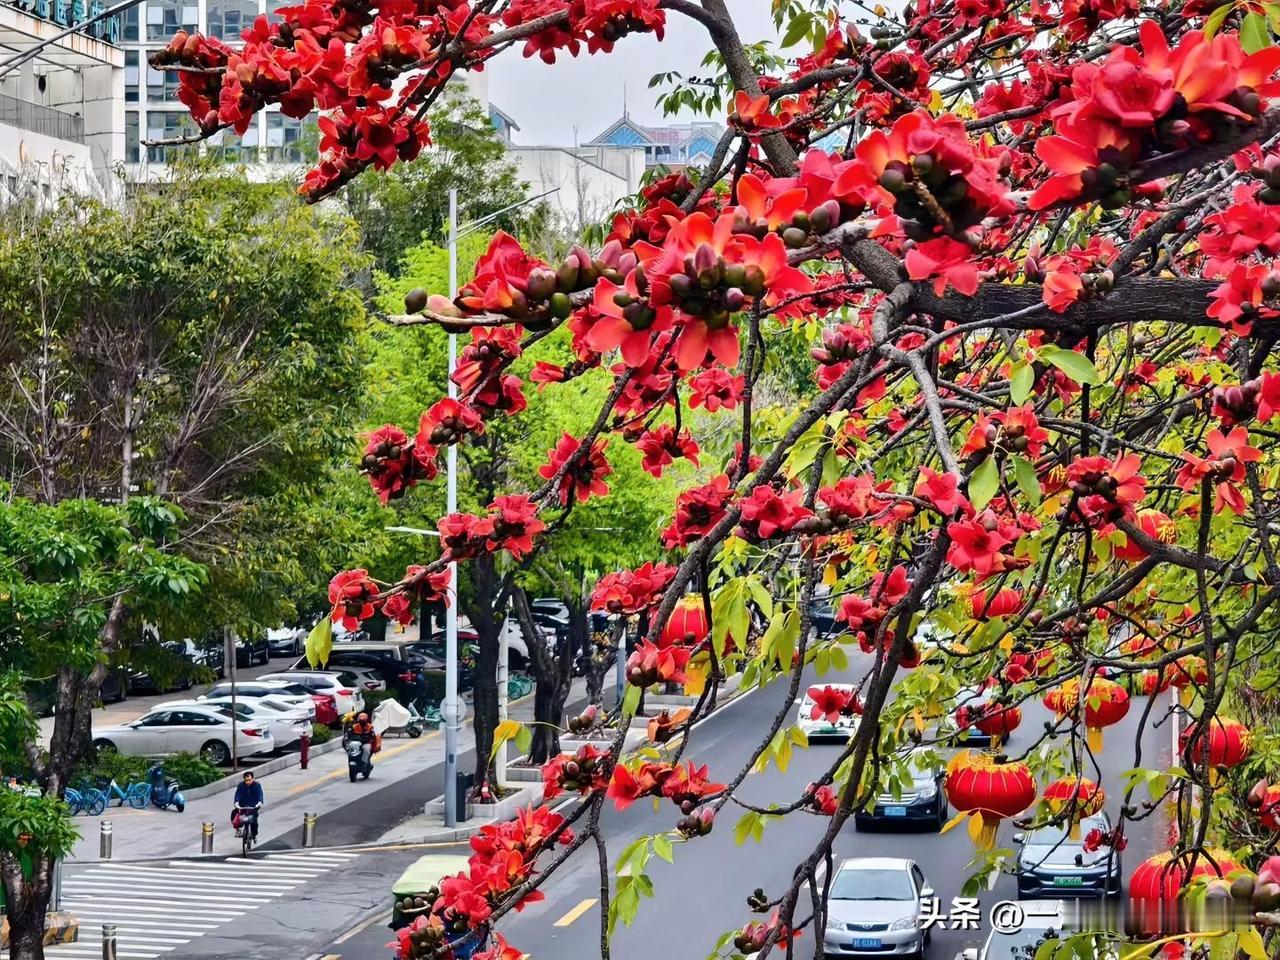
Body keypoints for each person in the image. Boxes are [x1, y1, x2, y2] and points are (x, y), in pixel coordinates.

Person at [232, 771, 263, 839]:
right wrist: (236, 802)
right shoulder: (241, 785)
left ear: (252, 779)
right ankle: (238, 830)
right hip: (243, 806)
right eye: (246, 781)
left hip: (253, 806)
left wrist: (259, 802)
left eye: (249, 780)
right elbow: (238, 794)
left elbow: (260, 794)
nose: (248, 782)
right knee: (234, 814)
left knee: (254, 821)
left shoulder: (257, 785)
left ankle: (254, 834)